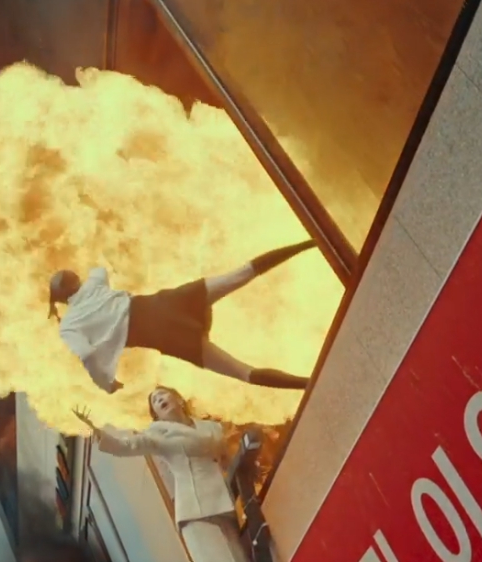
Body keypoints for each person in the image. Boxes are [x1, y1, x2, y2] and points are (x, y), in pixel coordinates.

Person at [48, 240, 317, 393]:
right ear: (76, 281)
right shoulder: (94, 284)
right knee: (242, 273)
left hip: (167, 337)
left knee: (243, 372)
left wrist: (107, 383)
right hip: (170, 302)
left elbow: (86, 353)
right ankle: (312, 242)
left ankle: (312, 385)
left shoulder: (69, 325)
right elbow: (98, 269)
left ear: (61, 300)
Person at [73, 387, 248, 562]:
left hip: (223, 503)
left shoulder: (210, 427)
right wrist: (94, 430)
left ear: (179, 399)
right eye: (155, 401)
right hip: (195, 510)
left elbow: (226, 460)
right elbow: (126, 446)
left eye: (162, 394)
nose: (159, 400)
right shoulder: (158, 434)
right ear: (157, 415)